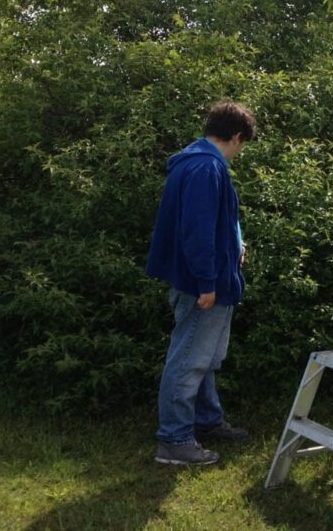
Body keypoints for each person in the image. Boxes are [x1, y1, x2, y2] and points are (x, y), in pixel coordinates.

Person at [146, 101, 256, 465]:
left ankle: (206, 420)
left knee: (207, 357)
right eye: (243, 145)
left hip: (210, 279)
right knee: (189, 359)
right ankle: (174, 439)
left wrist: (235, 244)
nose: (240, 153)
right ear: (236, 137)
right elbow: (197, 232)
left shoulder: (196, 162)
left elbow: (216, 222)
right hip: (202, 285)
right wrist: (207, 282)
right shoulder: (206, 168)